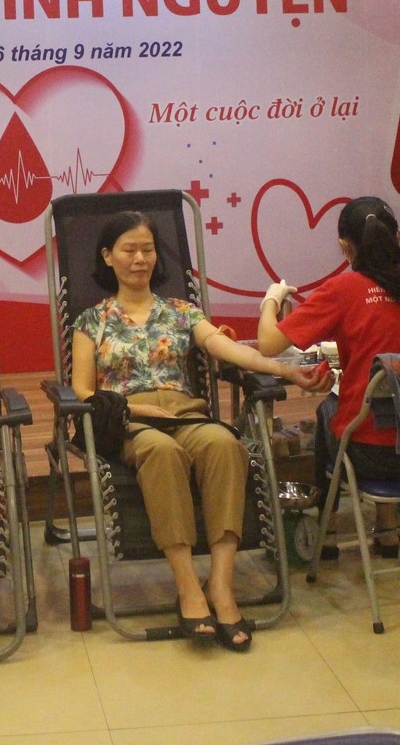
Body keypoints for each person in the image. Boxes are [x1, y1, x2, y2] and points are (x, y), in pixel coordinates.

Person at [72, 211, 327, 654]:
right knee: (161, 452)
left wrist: (285, 370)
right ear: (108, 257)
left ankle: (221, 586)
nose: (140, 259)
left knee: (225, 444)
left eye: (148, 249)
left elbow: (228, 349)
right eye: (129, 250)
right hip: (132, 420)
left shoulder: (181, 311)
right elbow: (82, 390)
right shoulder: (91, 321)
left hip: (186, 414)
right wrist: (135, 407)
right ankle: (188, 586)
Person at [256, 197, 400, 561]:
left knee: (332, 410)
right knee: (391, 409)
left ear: (345, 246)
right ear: (398, 236)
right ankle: (387, 531)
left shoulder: (343, 290)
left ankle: (327, 532)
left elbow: (267, 344)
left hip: (376, 458)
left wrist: (271, 301)